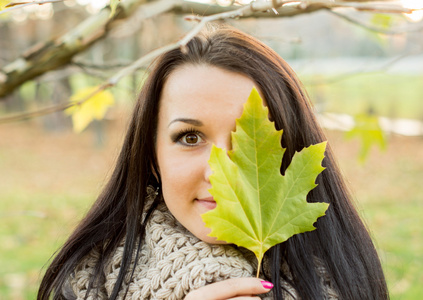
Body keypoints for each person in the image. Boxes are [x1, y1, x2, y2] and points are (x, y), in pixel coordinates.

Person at [38, 25, 389, 300]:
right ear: (152, 156)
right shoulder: (84, 284)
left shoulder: (347, 278)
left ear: (294, 153)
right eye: (190, 138)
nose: (218, 172)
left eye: (247, 143)